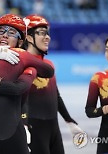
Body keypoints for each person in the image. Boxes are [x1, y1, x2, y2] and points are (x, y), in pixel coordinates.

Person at [0, 5, 54, 154]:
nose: (5, 35)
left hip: (11, 128)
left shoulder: (22, 58)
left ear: (19, 42)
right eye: (1, 32)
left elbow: (20, 90)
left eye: (11, 33)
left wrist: (29, 68)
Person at [22, 15, 83, 154]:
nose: (47, 37)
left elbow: (55, 94)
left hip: (53, 128)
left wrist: (69, 120)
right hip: (34, 128)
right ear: (29, 37)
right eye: (42, 33)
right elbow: (21, 98)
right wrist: (24, 125)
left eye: (47, 33)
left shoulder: (48, 65)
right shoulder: (22, 64)